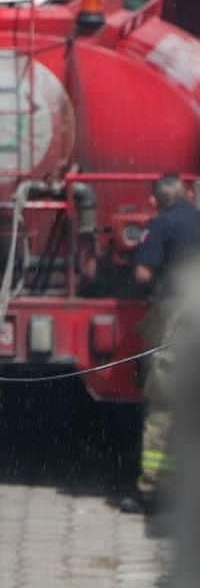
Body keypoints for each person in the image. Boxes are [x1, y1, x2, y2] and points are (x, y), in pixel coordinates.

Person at [120, 174, 200, 516]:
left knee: (164, 404)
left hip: (178, 315)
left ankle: (152, 491)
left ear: (157, 200)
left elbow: (142, 276)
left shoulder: (163, 224)